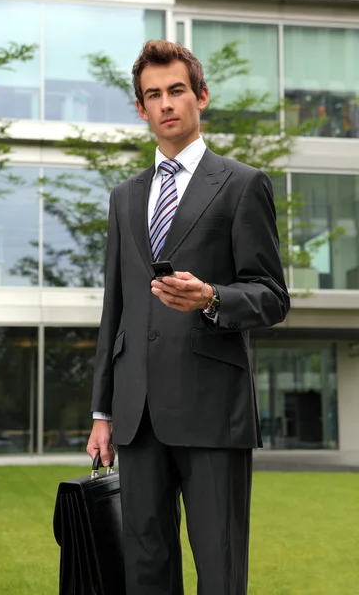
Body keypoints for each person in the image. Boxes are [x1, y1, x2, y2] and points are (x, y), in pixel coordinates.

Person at [87, 40, 290, 595]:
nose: (166, 103)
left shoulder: (243, 185)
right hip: (137, 413)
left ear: (200, 96)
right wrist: (103, 410)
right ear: (141, 109)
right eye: (153, 95)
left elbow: (272, 295)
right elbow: (116, 310)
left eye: (177, 90)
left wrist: (213, 298)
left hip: (212, 410)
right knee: (144, 567)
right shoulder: (124, 198)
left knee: (220, 568)